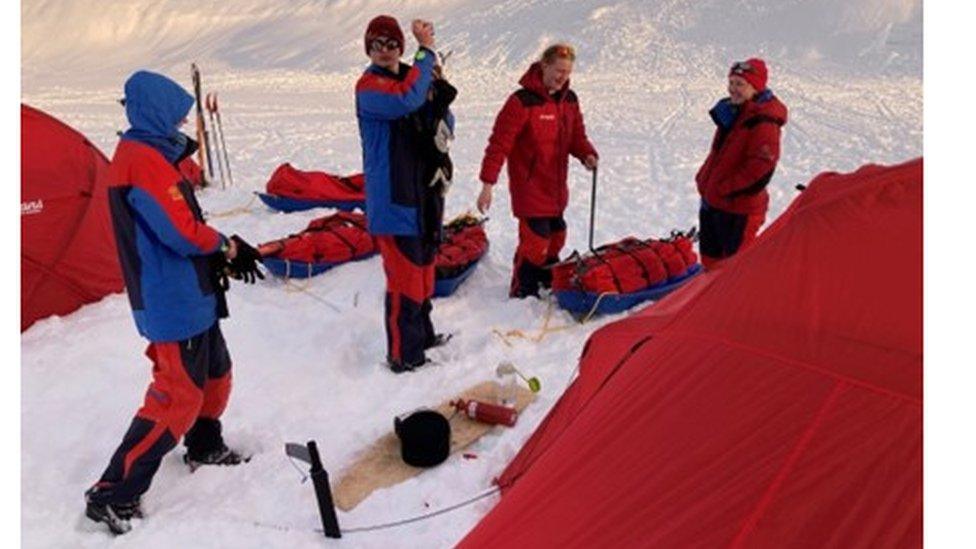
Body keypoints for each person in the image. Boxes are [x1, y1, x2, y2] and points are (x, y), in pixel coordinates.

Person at [84, 70, 264, 535]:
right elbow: (180, 232)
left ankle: (205, 445)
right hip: (172, 300)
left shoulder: (152, 155)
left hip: (191, 293)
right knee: (176, 397)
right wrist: (225, 246)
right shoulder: (140, 161)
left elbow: (181, 222)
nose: (183, 123)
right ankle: (112, 493)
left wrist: (218, 257)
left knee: (215, 375)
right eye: (177, 115)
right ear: (157, 112)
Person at [355, 15, 456, 372]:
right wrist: (425, 52)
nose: (385, 51)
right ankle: (403, 355)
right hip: (394, 202)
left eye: (392, 44)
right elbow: (406, 101)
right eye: (377, 45)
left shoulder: (411, 82)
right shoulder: (370, 87)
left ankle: (423, 336)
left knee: (425, 270)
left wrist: (440, 100)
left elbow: (439, 123)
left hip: (422, 196)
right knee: (405, 279)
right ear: (369, 49)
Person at [477, 44, 598, 299]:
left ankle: (545, 277)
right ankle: (523, 287)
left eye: (567, 72)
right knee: (536, 240)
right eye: (557, 70)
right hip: (529, 186)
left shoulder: (569, 100)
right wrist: (488, 184)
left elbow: (577, 136)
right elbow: (499, 144)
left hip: (555, 187)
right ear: (544, 66)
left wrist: (587, 154)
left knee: (556, 234)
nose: (562, 76)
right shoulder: (521, 102)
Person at [694, 58, 788, 269]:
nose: (733, 90)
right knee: (711, 263)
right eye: (732, 83)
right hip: (714, 202)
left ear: (755, 87)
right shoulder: (732, 113)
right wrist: (705, 180)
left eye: (740, 84)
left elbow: (761, 170)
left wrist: (726, 189)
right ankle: (710, 300)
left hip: (738, 211)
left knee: (734, 270)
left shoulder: (763, 122)